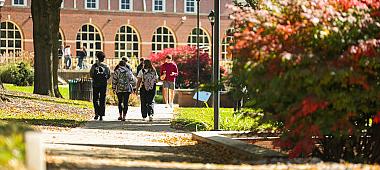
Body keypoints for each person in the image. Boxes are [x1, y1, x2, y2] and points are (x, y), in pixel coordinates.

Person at [90, 51, 111, 121]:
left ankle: (96, 113)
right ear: (103, 58)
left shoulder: (94, 66)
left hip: (95, 84)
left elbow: (91, 74)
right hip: (103, 84)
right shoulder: (106, 66)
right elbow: (108, 75)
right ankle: (101, 114)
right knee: (102, 99)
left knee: (95, 99)